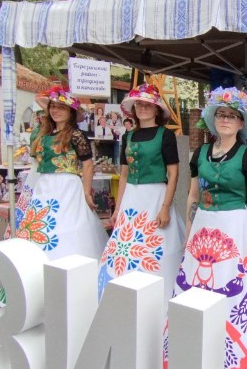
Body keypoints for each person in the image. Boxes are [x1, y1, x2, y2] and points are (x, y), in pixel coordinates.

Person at [163, 86, 247, 369]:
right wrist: (189, 235)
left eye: (232, 116)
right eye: (221, 114)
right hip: (203, 229)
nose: (226, 120)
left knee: (235, 290)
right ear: (213, 119)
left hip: (236, 228)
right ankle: (192, 358)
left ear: (241, 123)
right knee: (196, 290)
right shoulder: (200, 153)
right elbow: (193, 196)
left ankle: (235, 362)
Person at [97, 84, 185, 303]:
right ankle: (123, 296)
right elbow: (124, 175)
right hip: (131, 198)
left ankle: (157, 296)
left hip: (155, 196)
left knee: (156, 245)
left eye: (148, 105)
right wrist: (117, 209)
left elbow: (173, 174)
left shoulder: (166, 136)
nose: (143, 108)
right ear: (134, 109)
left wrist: (165, 208)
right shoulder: (127, 136)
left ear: (157, 110)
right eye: (139, 104)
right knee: (125, 247)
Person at [16, 86, 107, 260]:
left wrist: (86, 192)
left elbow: (88, 165)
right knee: (40, 225)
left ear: (70, 112)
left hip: (68, 187)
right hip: (44, 185)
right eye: (53, 106)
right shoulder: (43, 133)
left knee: (68, 224)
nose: (55, 111)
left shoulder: (76, 135)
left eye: (61, 107)